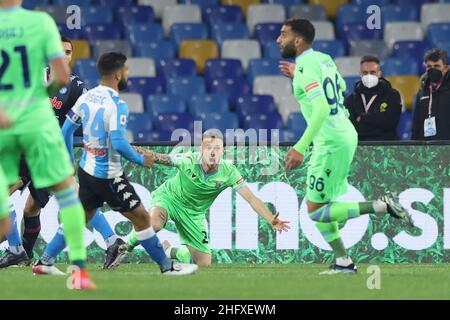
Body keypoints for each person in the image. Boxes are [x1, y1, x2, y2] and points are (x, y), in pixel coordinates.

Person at [277, 19, 414, 274]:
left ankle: (382, 206)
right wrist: (299, 74)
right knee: (320, 206)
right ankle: (343, 261)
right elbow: (338, 88)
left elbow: (319, 109)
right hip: (343, 133)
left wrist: (300, 147)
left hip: (330, 141)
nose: (278, 39)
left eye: (283, 35)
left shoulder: (306, 65)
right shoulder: (323, 59)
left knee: (316, 211)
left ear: (297, 40)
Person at [61, 52, 198, 275]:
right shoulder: (117, 104)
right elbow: (119, 143)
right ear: (117, 74)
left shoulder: (87, 96)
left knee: (78, 218)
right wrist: (140, 159)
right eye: (126, 70)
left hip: (86, 169)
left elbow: (66, 130)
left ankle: (45, 260)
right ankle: (166, 266)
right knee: (142, 217)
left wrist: (68, 163)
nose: (127, 74)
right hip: (108, 174)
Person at [0, 36, 123, 272]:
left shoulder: (76, 87)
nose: (64, 56)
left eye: (68, 52)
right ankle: (19, 252)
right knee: (31, 209)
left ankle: (112, 242)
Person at [0, 0, 94, 289]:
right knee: (69, 194)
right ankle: (78, 270)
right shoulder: (40, 23)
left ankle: (18, 248)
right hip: (39, 128)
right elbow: (62, 77)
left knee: (17, 203)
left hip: (9, 123)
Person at [111, 130, 290, 268]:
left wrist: (270, 218)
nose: (213, 152)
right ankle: (124, 247)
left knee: (203, 263)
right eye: (208, 148)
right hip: (169, 199)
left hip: (194, 214)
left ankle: (171, 250)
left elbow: (251, 198)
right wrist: (138, 152)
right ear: (201, 150)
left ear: (222, 151)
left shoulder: (229, 172)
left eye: (217, 148)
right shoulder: (188, 160)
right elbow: (161, 158)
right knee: (155, 224)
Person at [344, 56, 402, 141]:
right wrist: (378, 122)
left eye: (372, 72)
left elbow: (390, 122)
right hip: (360, 146)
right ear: (360, 74)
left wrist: (362, 118)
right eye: (365, 72)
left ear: (379, 73)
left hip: (386, 146)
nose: (368, 76)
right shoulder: (350, 99)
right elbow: (350, 127)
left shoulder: (392, 95)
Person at [412, 48, 450, 140]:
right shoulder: (422, 90)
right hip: (426, 147)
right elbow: (417, 123)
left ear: (446, 68)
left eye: (437, 66)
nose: (432, 70)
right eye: (429, 67)